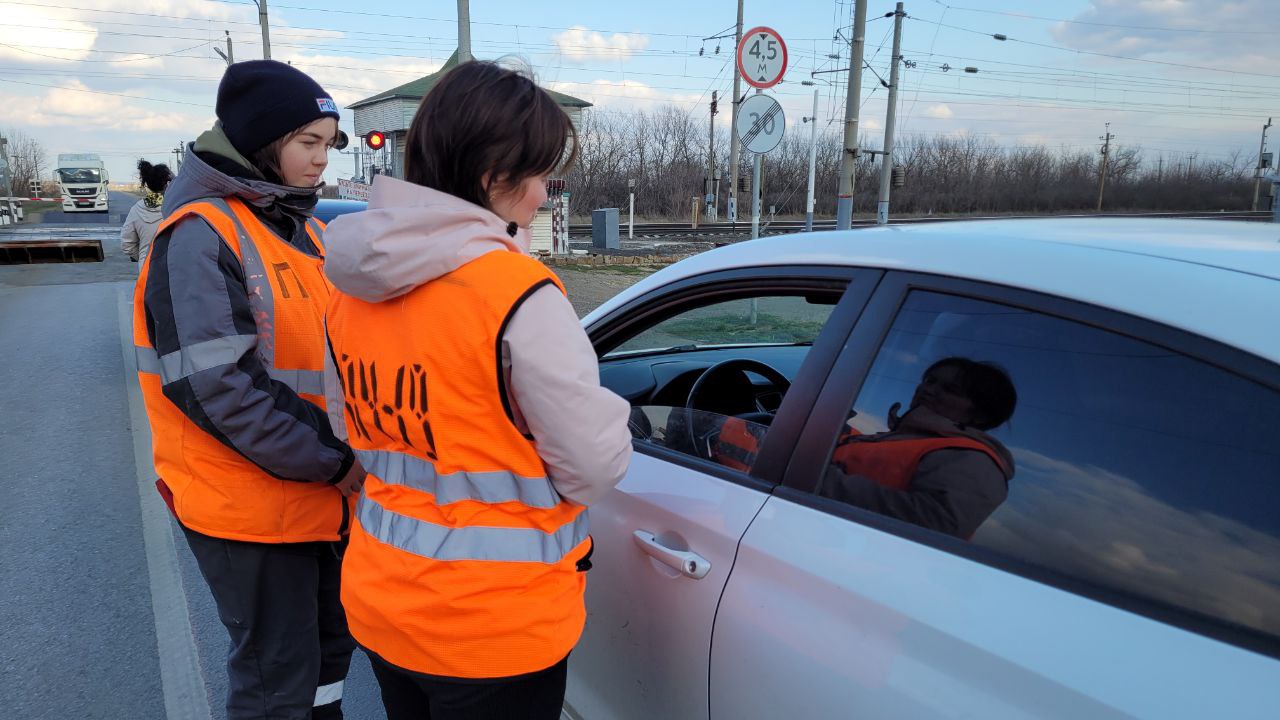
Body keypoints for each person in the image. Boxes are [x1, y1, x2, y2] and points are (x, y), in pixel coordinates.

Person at [323, 60, 633, 719]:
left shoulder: (349, 289)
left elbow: (351, 428)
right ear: (494, 177)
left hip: (385, 601)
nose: (545, 197)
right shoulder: (516, 294)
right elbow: (592, 466)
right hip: (497, 629)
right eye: (541, 175)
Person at [132, 59, 363, 720]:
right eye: (307, 143)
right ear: (262, 145)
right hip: (252, 509)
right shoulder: (200, 236)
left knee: (324, 662)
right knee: (276, 680)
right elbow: (219, 390)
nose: (322, 160)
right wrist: (340, 461)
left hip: (317, 499)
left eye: (329, 143)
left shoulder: (306, 230)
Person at [819, 357, 1018, 539]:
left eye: (950, 390)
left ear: (980, 415)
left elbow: (935, 524)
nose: (928, 389)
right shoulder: (895, 439)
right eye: (930, 381)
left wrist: (818, 477)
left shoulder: (973, 459)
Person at [120, 159, 172, 265]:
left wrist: (145, 257)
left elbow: (127, 245)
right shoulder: (177, 208)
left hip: (146, 271)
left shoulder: (136, 209)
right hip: (174, 268)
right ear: (167, 183)